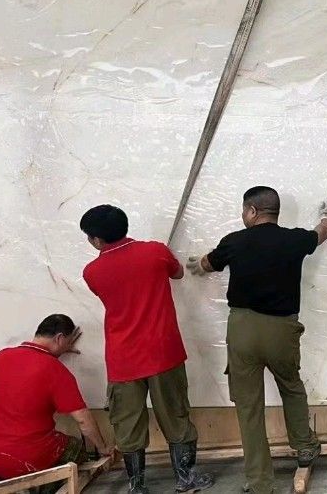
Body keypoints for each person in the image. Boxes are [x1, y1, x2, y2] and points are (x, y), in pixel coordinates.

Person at [188, 186, 327, 494]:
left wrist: (199, 265)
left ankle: (260, 482)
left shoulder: (234, 241)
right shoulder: (294, 239)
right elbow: (320, 234)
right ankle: (304, 446)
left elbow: (207, 263)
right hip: (281, 330)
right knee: (291, 386)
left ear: (252, 211)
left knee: (249, 406)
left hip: (242, 329)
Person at [81, 205, 212, 494]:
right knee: (176, 414)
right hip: (164, 352)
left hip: (123, 359)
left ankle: (137, 485)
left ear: (97, 240)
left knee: (127, 423)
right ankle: (186, 479)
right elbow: (178, 273)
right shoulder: (155, 251)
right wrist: (164, 258)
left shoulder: (92, 272)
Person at [0, 314, 112, 492]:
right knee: (76, 449)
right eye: (68, 342)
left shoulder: (1, 357)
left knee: (8, 457)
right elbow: (83, 420)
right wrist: (103, 448)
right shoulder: (55, 370)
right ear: (60, 338)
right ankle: (33, 488)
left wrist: (59, 350)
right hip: (27, 458)